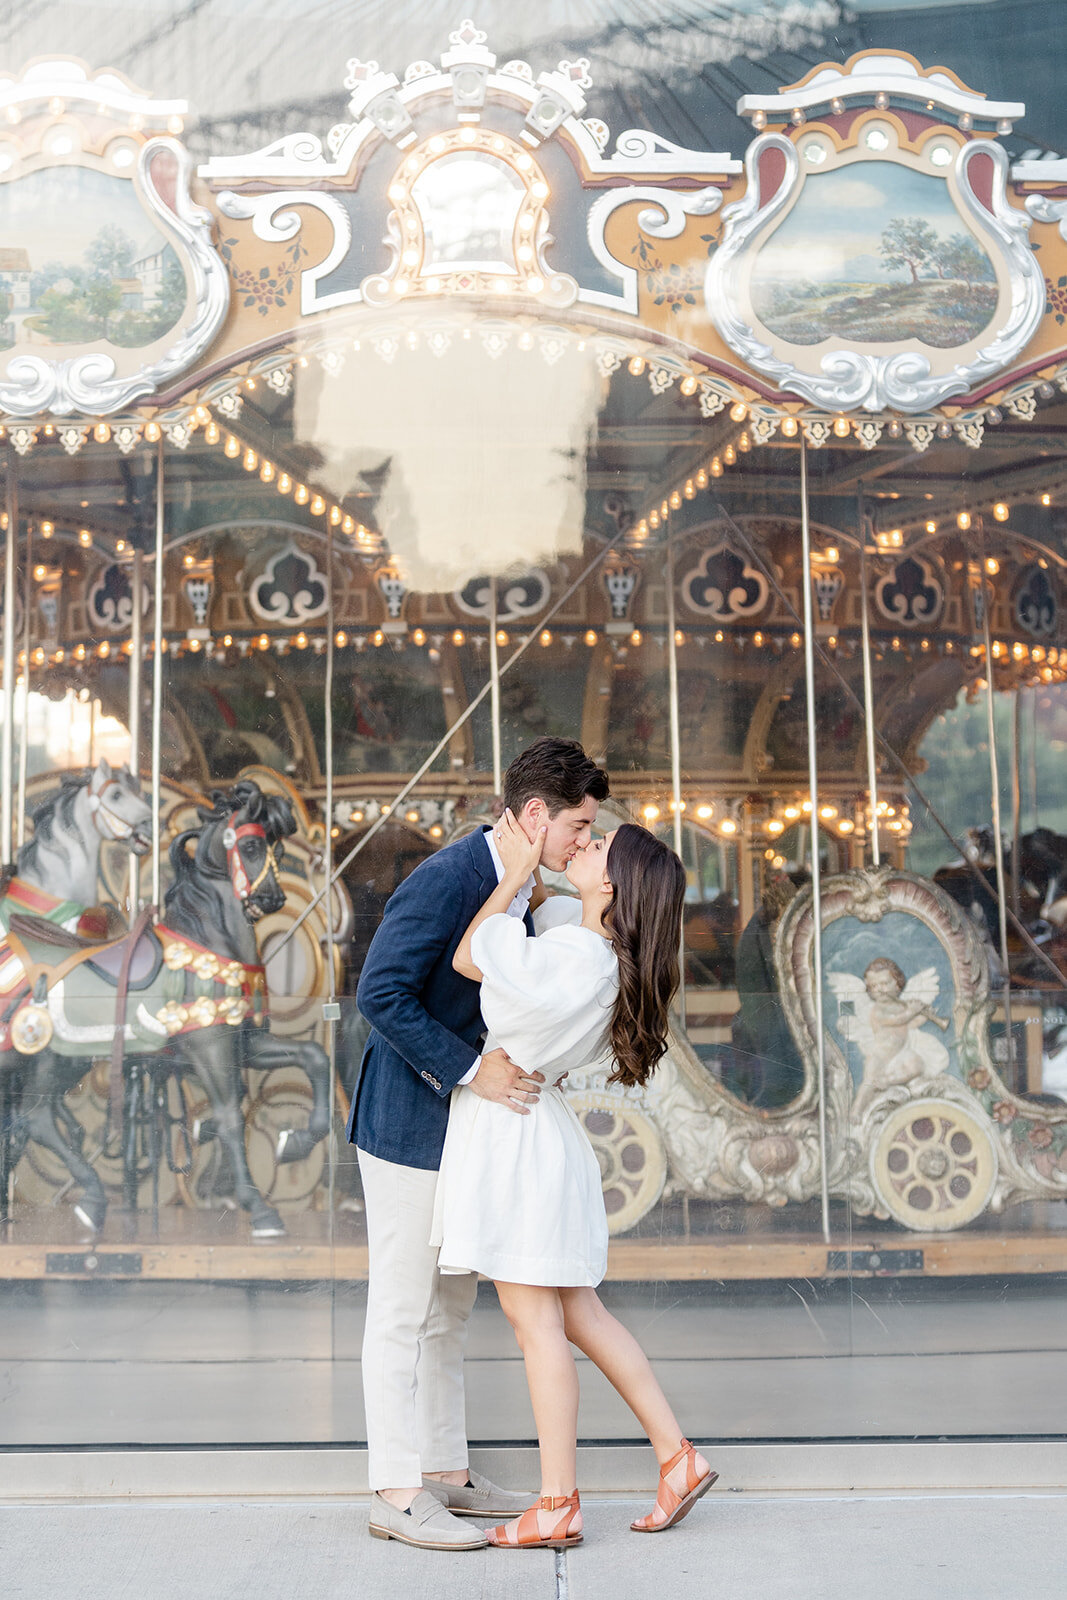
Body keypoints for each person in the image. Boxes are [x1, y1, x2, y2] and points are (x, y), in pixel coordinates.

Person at [349, 736, 610, 1551]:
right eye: (577, 825)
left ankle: (444, 1471)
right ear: (533, 815)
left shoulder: (525, 887)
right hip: (408, 1121)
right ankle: (395, 1492)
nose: (584, 840)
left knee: (448, 1312)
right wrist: (471, 1071)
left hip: (466, 1128)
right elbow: (379, 994)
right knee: (401, 1308)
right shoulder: (450, 876)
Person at [433, 811, 717, 1550]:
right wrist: (544, 881)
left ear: (613, 884)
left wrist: (515, 873)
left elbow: (470, 955)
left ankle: (558, 1502)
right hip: (539, 1130)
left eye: (600, 845)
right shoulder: (595, 951)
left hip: (517, 1139)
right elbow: (541, 922)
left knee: (536, 1326)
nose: (586, 843)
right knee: (580, 1314)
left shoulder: (574, 957)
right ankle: (676, 1457)